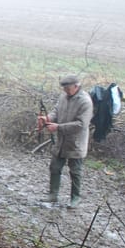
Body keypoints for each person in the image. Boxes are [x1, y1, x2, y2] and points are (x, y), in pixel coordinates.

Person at [36, 75, 94, 209]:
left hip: (76, 142)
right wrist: (47, 118)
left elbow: (81, 124)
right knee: (55, 167)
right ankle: (53, 195)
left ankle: (75, 198)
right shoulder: (63, 96)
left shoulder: (85, 101)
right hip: (61, 141)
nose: (66, 91)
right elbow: (56, 111)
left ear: (76, 86)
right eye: (64, 88)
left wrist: (58, 127)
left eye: (68, 88)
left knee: (75, 171)